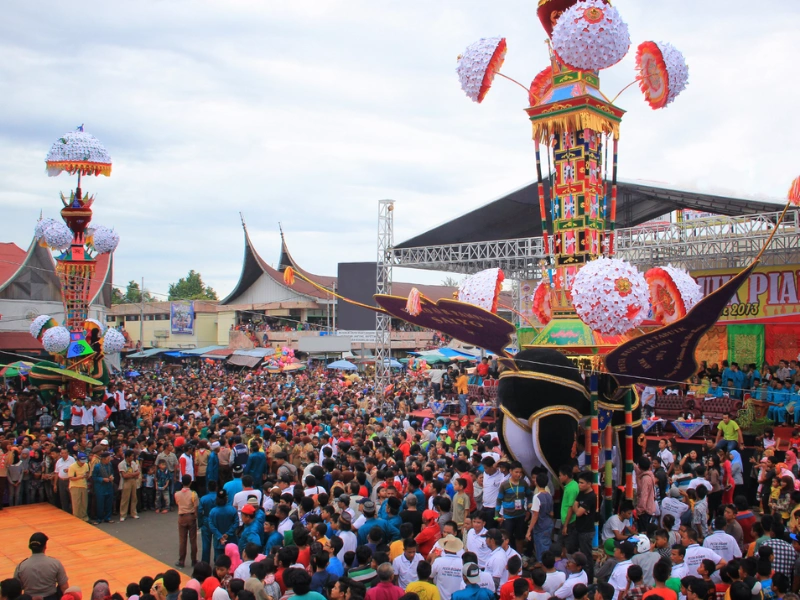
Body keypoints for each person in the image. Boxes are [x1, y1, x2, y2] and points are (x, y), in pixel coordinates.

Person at [13, 533, 69, 600]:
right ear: (45, 546)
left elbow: (16, 588)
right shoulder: (55, 563)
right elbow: (64, 587)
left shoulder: (21, 566)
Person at [526, 471, 554, 561]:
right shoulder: (549, 495)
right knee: (546, 545)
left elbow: (535, 515)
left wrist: (529, 530)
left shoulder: (537, 497)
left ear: (536, 482)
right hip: (548, 524)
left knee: (541, 548)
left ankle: (544, 565)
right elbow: (551, 513)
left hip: (540, 526)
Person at [175, 474, 199, 568]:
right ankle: (194, 560)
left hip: (181, 516)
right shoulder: (193, 494)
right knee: (193, 540)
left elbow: (178, 503)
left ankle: (181, 561)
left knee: (182, 540)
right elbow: (196, 507)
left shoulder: (177, 494)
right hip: (191, 516)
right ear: (190, 482)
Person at [119, 449, 141, 522]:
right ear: (127, 457)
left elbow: (137, 473)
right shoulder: (121, 464)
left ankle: (133, 513)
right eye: (131, 456)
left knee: (134, 497)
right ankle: (123, 514)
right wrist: (133, 474)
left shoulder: (134, 463)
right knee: (125, 498)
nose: (132, 457)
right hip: (126, 482)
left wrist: (130, 474)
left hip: (133, 481)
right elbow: (124, 475)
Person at [67, 452, 90, 522]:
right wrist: (80, 477)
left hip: (83, 485)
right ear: (78, 460)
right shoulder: (72, 467)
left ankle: (85, 518)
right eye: (81, 462)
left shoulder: (86, 465)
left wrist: (87, 475)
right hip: (75, 486)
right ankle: (77, 518)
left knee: (84, 503)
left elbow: (87, 472)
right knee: (76, 503)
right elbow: (71, 478)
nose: (83, 463)